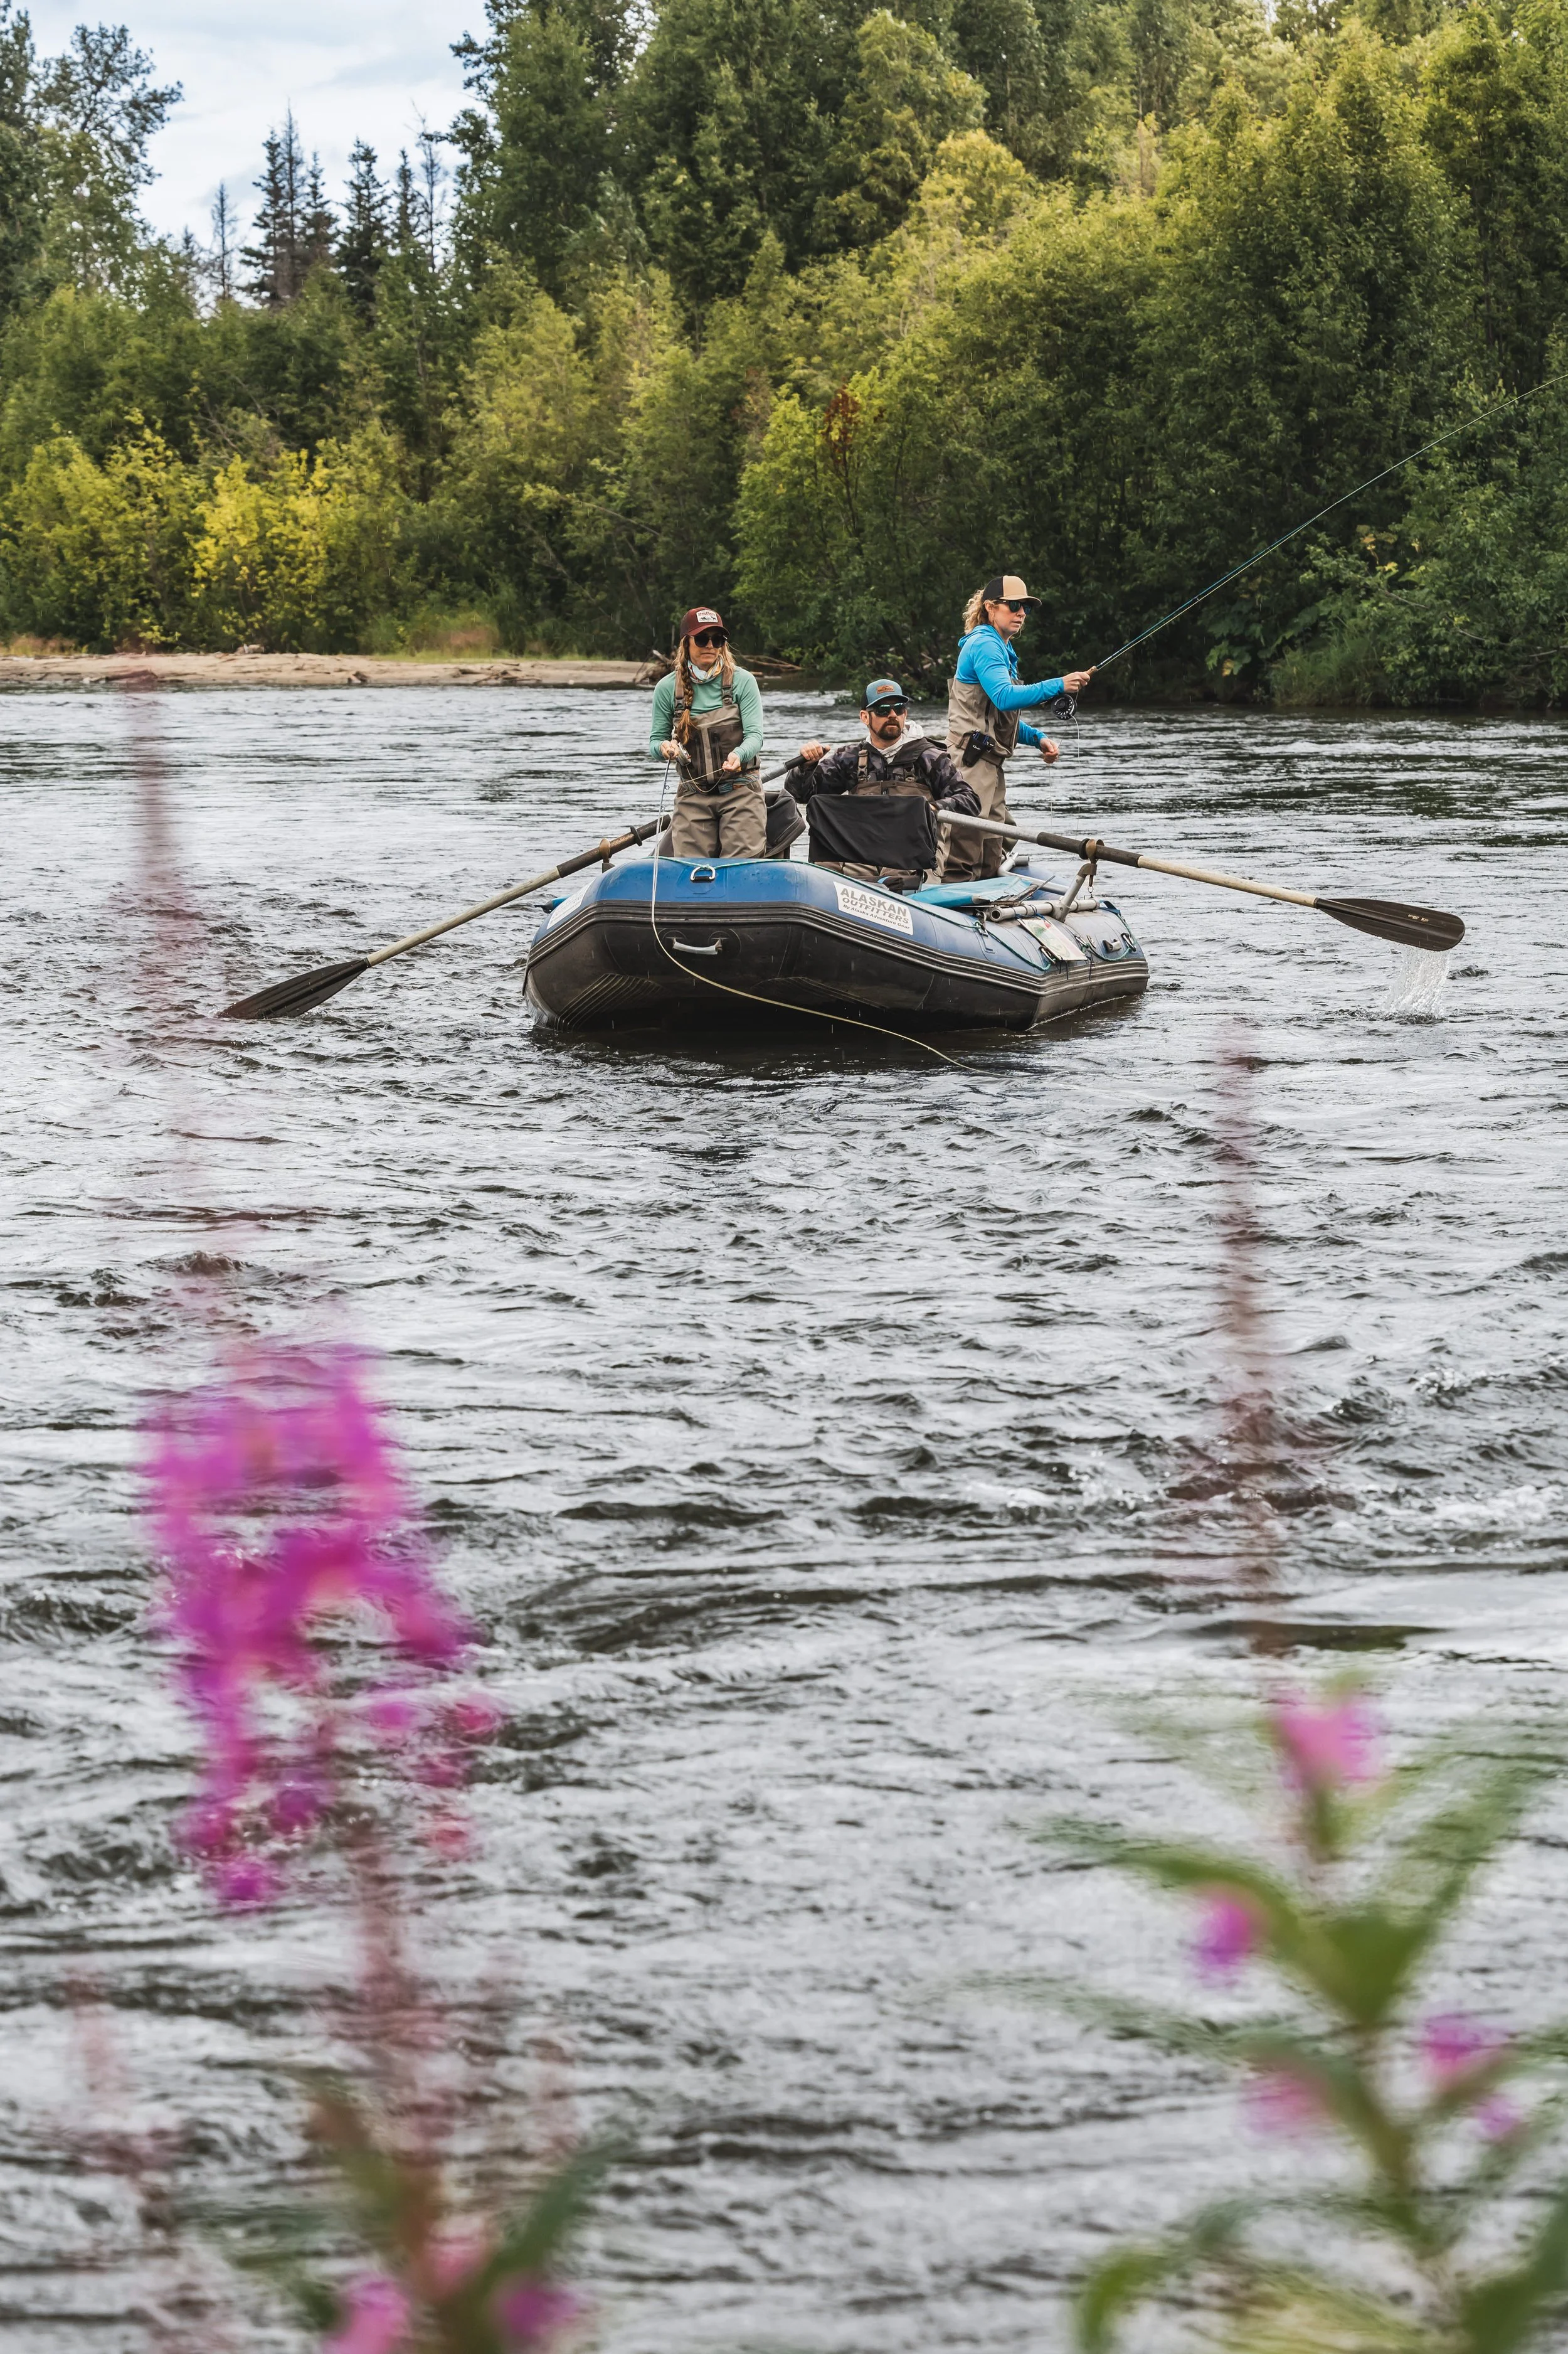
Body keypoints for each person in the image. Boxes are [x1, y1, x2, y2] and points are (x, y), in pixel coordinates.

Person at [945, 575, 1094, 881]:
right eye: (1013, 606)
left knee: (993, 844)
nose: (1021, 613)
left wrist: (1037, 738)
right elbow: (1004, 696)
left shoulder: (1000, 647)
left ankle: (985, 906)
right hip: (970, 765)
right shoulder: (985, 644)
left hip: (988, 765)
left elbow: (999, 715)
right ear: (990, 608)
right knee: (966, 845)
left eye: (1025, 607)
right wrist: (1059, 684)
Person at [793, 676, 980, 888]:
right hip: (860, 855)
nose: (892, 715)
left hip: (914, 856)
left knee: (898, 880)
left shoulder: (930, 757)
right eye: (883, 710)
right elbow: (802, 794)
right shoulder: (850, 758)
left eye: (899, 709)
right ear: (865, 717)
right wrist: (806, 767)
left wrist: (933, 807)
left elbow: (970, 801)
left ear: (905, 714)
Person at [648, 605, 766, 860]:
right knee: (691, 872)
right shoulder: (666, 689)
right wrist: (665, 749)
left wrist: (739, 754)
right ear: (686, 643)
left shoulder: (743, 681)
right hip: (693, 796)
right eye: (702, 639)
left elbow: (755, 736)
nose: (710, 645)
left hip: (741, 791)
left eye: (717, 639)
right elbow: (655, 742)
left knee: (739, 870)